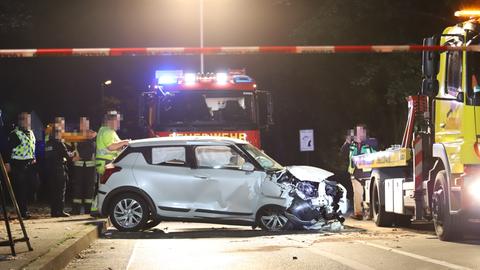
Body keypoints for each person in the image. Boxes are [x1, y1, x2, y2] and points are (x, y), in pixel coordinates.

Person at [91, 111, 129, 214]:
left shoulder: (109, 131)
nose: (118, 123)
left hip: (106, 162)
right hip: (105, 163)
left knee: (103, 186)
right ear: (110, 121)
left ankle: (96, 209)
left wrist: (123, 143)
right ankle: (96, 210)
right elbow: (111, 147)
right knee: (104, 186)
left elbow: (117, 145)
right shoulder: (107, 131)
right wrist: (125, 142)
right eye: (117, 121)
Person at [341, 124, 377, 220]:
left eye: (361, 131)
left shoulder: (371, 141)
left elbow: (375, 145)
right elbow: (343, 152)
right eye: (357, 131)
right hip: (355, 172)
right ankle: (358, 213)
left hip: (368, 172)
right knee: (357, 193)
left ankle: (370, 213)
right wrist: (347, 142)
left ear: (365, 132)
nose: (359, 133)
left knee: (369, 194)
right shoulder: (352, 144)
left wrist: (363, 140)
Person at [5, 112, 36, 219]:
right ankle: (23, 212)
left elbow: (31, 145)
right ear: (21, 120)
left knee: (33, 185)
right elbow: (8, 149)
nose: (28, 121)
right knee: (21, 189)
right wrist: (8, 163)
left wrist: (33, 156)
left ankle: (23, 209)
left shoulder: (30, 132)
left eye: (29, 119)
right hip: (17, 164)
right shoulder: (15, 134)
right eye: (27, 119)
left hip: (29, 164)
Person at [45, 119, 73, 217]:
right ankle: (60, 211)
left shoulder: (48, 144)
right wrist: (72, 155)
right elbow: (67, 156)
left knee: (53, 191)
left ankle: (53, 212)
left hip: (50, 170)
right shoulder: (59, 143)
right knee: (61, 191)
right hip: (59, 170)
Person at [71, 117, 97, 215]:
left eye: (85, 123)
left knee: (90, 188)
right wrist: (71, 157)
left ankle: (88, 210)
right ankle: (76, 209)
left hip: (90, 166)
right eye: (82, 124)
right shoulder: (76, 135)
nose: (84, 126)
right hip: (79, 166)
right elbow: (72, 148)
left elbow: (90, 149)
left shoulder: (94, 135)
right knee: (78, 188)